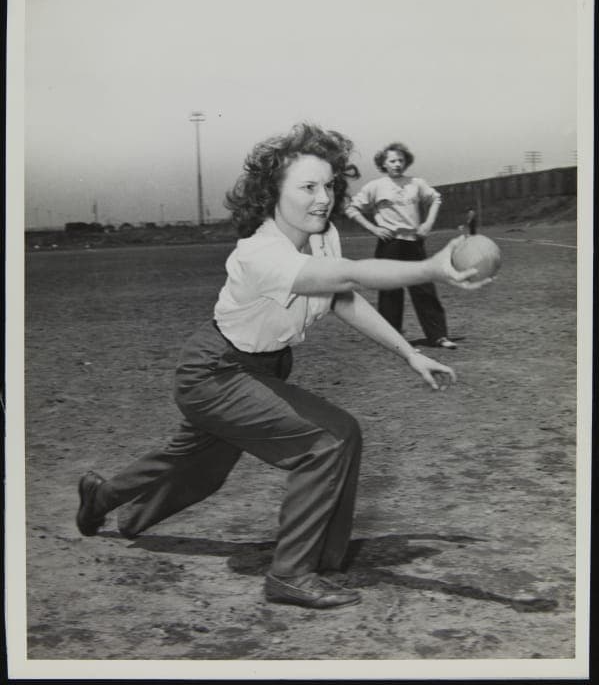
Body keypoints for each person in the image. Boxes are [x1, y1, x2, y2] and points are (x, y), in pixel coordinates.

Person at [76, 124, 487, 610]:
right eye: (307, 187)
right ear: (273, 192)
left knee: (199, 470)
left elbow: (344, 298)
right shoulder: (259, 253)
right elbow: (353, 273)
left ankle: (102, 499)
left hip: (261, 370)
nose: (322, 198)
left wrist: (409, 352)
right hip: (216, 373)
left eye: (329, 185)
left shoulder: (323, 236)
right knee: (331, 439)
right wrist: (430, 269)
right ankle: (292, 573)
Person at [345, 141, 457, 350]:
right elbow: (352, 209)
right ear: (383, 164)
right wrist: (374, 229)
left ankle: (438, 336)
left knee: (424, 290)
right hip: (389, 244)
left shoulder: (416, 183)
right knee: (390, 293)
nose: (397, 164)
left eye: (401, 160)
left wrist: (428, 223)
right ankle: (393, 340)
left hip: (414, 243)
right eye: (392, 160)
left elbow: (435, 199)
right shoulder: (375, 186)